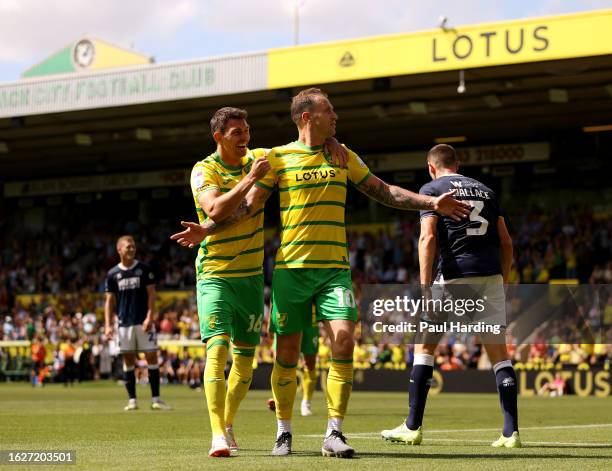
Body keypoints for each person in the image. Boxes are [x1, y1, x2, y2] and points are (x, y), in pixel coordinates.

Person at [172, 88, 470, 458]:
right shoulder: (277, 158)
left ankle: (334, 431)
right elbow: (247, 208)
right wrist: (208, 230)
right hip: (291, 271)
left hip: (334, 271)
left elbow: (383, 191)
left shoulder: (343, 157)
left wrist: (430, 202)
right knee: (287, 354)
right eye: (330, 111)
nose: (336, 117)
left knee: (345, 339)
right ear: (307, 117)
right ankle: (283, 432)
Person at [180, 106, 346, 458]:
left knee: (244, 363)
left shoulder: (259, 157)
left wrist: (329, 139)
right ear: (219, 137)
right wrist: (249, 179)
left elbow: (299, 145)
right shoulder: (203, 170)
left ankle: (227, 422)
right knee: (218, 349)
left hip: (252, 278)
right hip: (215, 274)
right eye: (237, 132)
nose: (246, 137)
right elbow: (215, 210)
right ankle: (216, 436)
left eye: (247, 130)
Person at [380, 143, 521, 448]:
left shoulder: (432, 188)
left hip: (455, 275)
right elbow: (507, 243)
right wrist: (503, 283)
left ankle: (412, 426)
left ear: (432, 167)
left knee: (425, 346)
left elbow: (428, 237)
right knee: (500, 355)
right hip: (491, 276)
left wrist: (425, 285)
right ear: (457, 163)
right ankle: (511, 433)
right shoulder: (487, 190)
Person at [104, 235, 171, 412]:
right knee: (128, 359)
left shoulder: (144, 269)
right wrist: (108, 324)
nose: (132, 249)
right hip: (124, 323)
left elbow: (152, 295)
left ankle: (156, 399)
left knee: (151, 357)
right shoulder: (113, 274)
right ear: (119, 249)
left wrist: (150, 316)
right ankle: (132, 400)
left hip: (144, 323)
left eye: (133, 247)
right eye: (128, 247)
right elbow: (109, 301)